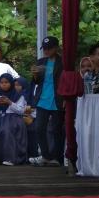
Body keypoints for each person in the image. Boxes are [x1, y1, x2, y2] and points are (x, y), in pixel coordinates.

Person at [29, 36, 64, 166]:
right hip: (42, 98)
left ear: (56, 48)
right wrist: (35, 74)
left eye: (49, 48)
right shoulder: (41, 61)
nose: (46, 51)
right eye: (44, 48)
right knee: (39, 128)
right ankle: (45, 155)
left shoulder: (63, 62)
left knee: (56, 130)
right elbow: (36, 82)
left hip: (57, 99)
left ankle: (57, 157)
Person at [15, 77, 38, 159]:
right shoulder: (12, 95)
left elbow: (35, 109)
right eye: (14, 85)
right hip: (17, 119)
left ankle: (32, 154)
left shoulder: (29, 95)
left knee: (32, 129)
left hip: (31, 119)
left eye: (18, 85)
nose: (16, 87)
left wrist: (30, 113)